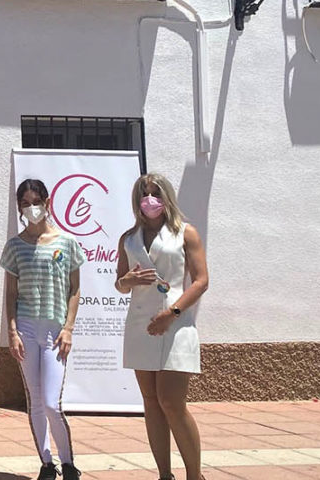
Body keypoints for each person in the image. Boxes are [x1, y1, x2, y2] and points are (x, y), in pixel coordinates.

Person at [115, 173, 209, 480]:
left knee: (172, 401)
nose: (149, 199)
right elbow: (120, 283)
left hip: (175, 323)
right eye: (144, 193)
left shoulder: (185, 233)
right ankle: (164, 474)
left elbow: (201, 280)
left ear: (166, 197)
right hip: (140, 324)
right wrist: (126, 281)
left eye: (155, 193)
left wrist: (173, 312)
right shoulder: (128, 239)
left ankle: (195, 475)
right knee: (152, 403)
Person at [0, 179, 83, 480]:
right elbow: (10, 293)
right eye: (25, 202)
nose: (32, 207)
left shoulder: (66, 242)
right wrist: (12, 331)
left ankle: (70, 462)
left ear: (47, 202)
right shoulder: (14, 246)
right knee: (34, 400)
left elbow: (75, 289)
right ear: (20, 206)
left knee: (51, 402)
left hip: (54, 330)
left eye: (37, 201)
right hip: (25, 328)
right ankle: (47, 463)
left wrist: (69, 328)